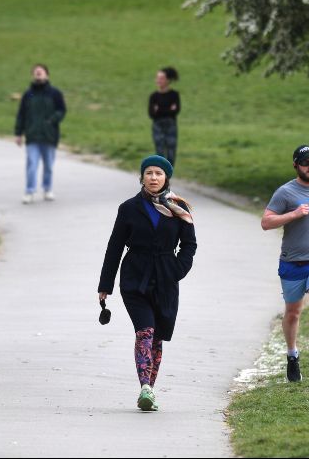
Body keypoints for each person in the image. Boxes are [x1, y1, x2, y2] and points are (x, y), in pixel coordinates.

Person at [98, 155, 196, 411]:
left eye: (158, 173)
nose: (153, 177)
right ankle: (145, 387)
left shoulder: (180, 207)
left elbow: (189, 244)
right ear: (141, 177)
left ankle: (149, 391)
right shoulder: (129, 208)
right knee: (145, 331)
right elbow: (115, 247)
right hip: (134, 277)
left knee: (157, 337)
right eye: (149, 173)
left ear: (166, 178)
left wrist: (177, 269)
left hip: (166, 277)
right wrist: (105, 284)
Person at [261, 145, 309, 382]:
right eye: (306, 162)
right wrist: (293, 215)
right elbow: (266, 222)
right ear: (296, 165)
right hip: (292, 263)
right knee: (294, 312)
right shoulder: (285, 192)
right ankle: (292, 355)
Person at [14, 63, 67, 204]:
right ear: (33, 75)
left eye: (41, 71)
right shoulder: (29, 94)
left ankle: (47, 189)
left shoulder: (54, 93)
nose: (38, 73)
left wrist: (52, 120)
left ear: (46, 74)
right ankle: (29, 191)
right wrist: (18, 133)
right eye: (36, 72)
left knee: (48, 165)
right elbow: (21, 114)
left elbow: (62, 110)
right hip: (32, 136)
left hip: (49, 136)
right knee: (32, 164)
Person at [148, 67, 180, 166]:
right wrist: (168, 109)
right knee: (159, 151)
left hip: (171, 125)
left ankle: (168, 174)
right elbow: (152, 114)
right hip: (157, 126)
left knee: (171, 151)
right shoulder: (153, 96)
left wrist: (159, 110)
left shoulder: (174, 95)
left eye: (161, 78)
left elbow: (176, 110)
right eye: (157, 78)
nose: (158, 80)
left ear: (168, 80)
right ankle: (161, 174)